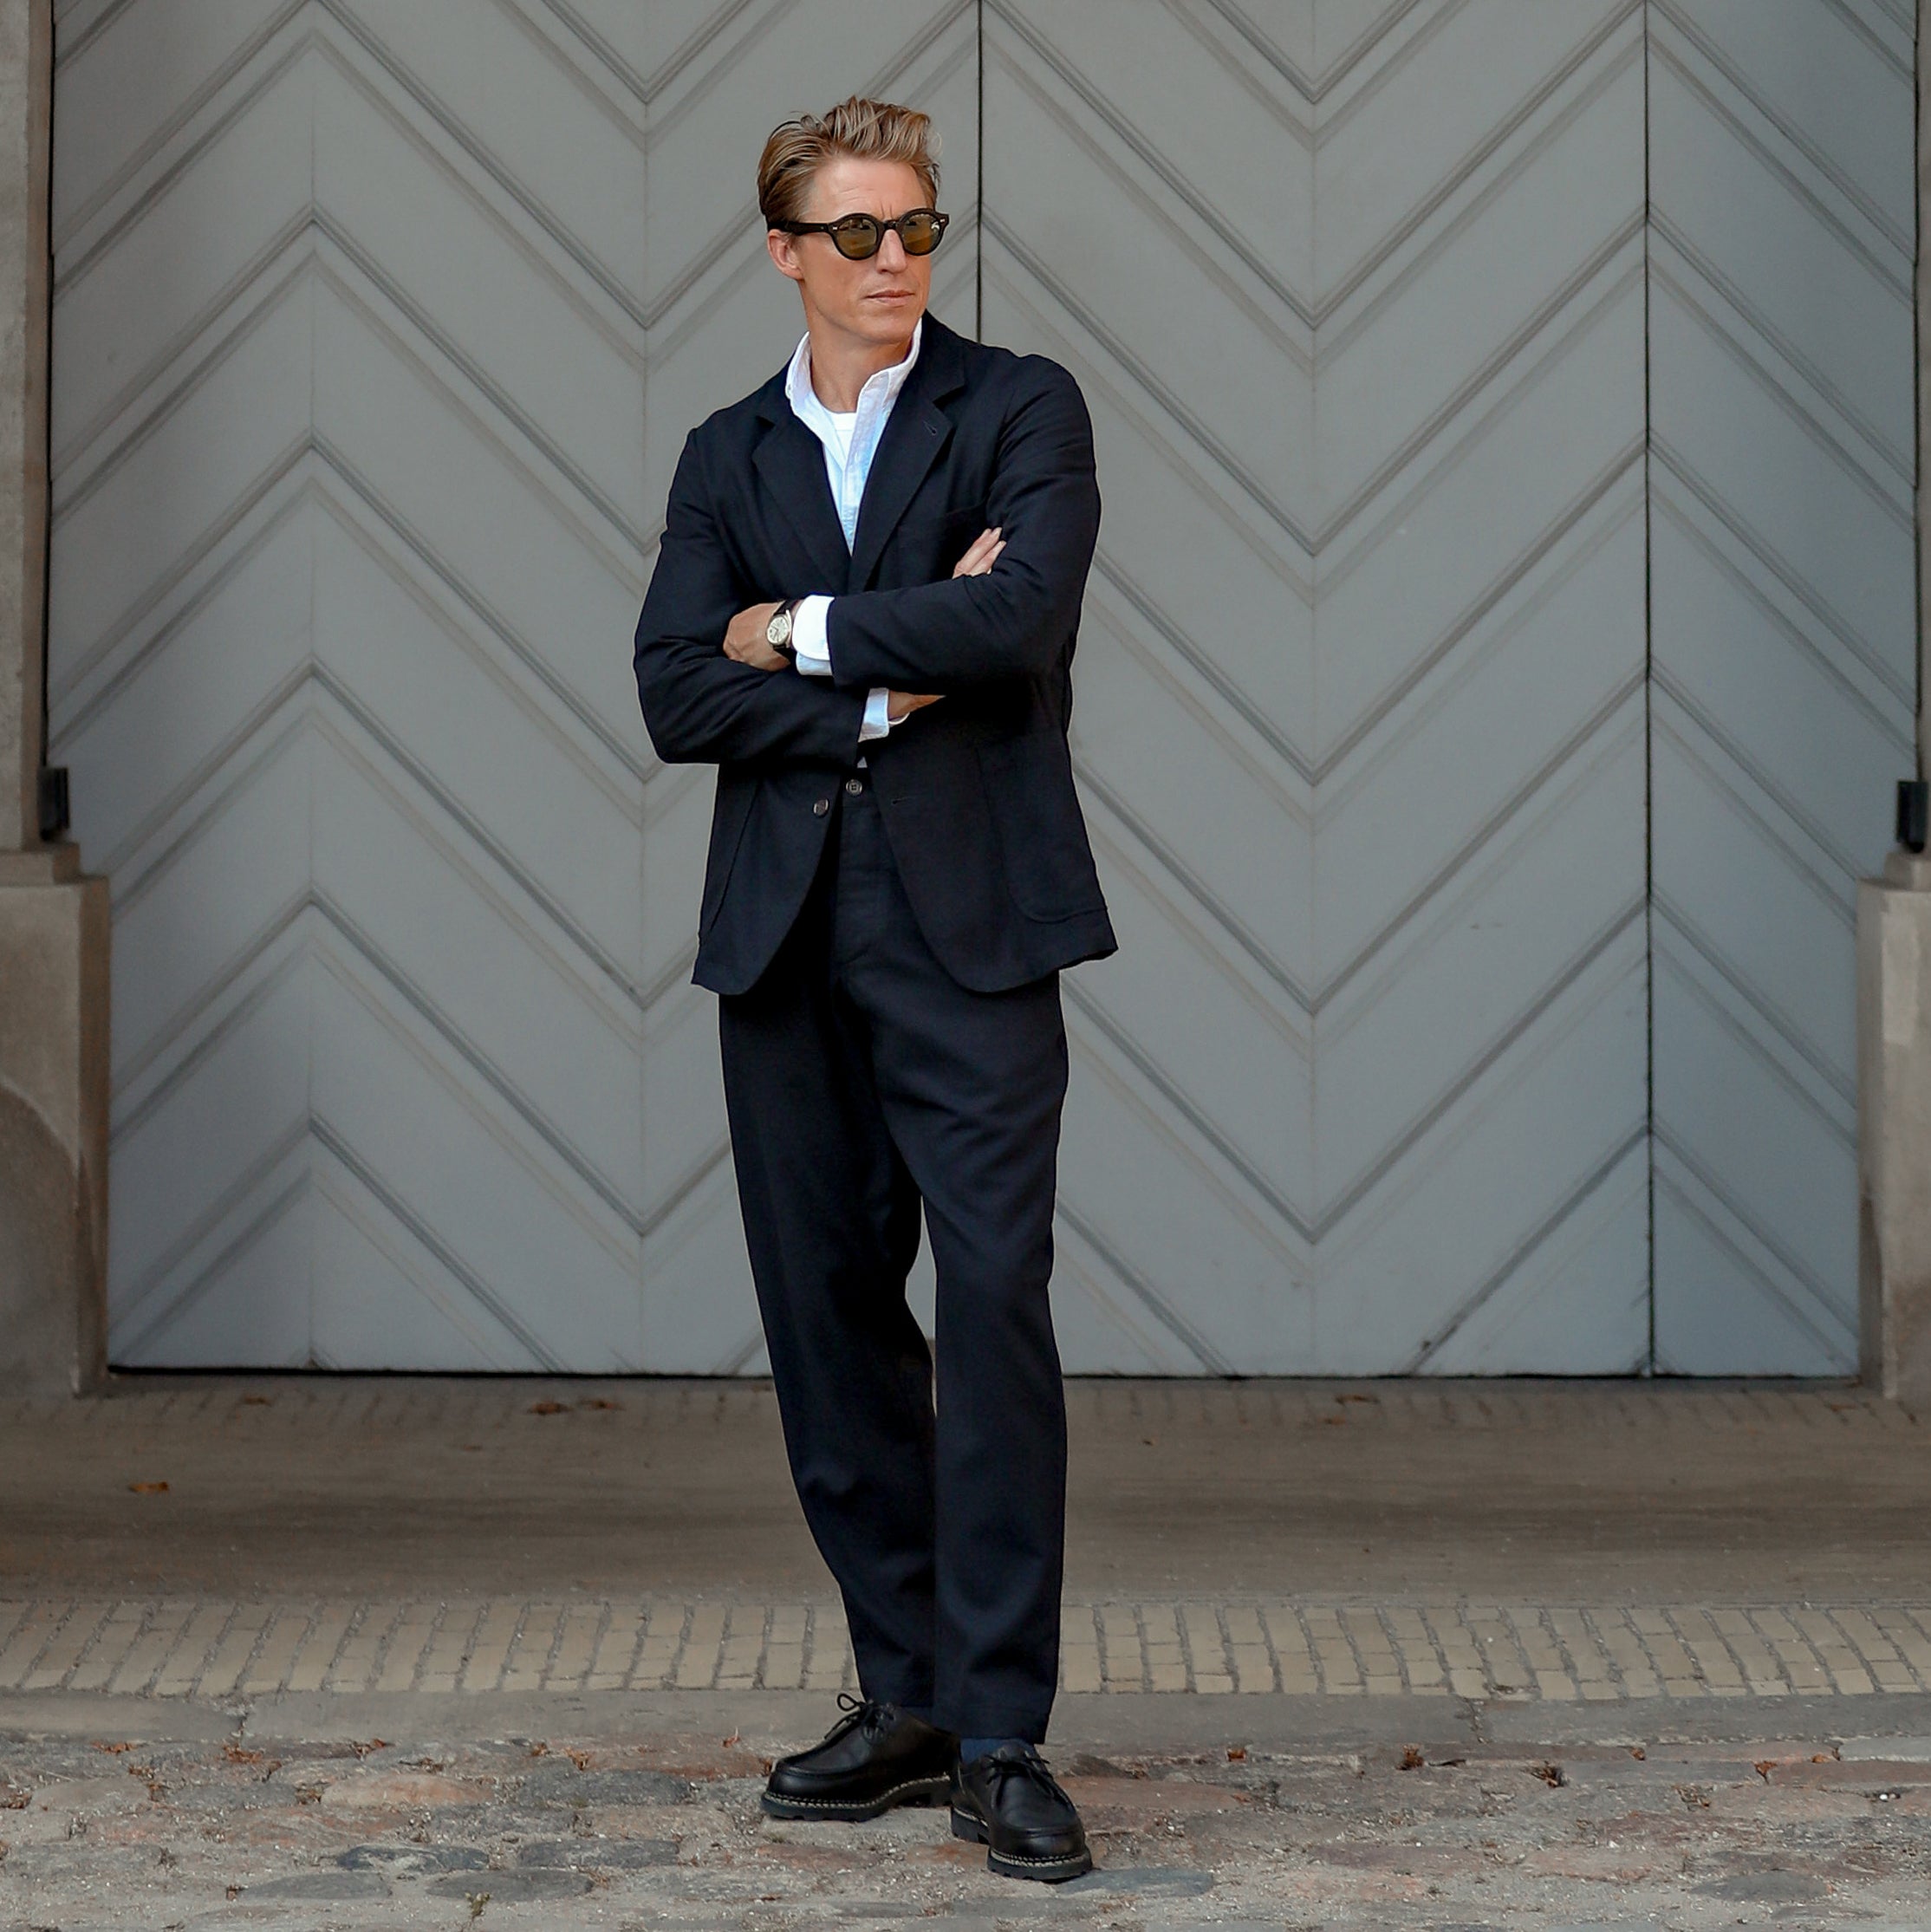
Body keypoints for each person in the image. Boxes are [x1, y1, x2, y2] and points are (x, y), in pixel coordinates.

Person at [633, 94, 1114, 1883]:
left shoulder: (1020, 408)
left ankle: (1000, 1730)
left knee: (991, 1304)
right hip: (784, 933)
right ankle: (902, 1693)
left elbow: (1021, 626)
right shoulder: (723, 452)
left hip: (971, 926)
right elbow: (677, 687)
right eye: (859, 234)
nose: (897, 259)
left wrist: (807, 628)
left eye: (916, 228)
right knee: (830, 1321)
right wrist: (889, 669)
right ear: (786, 252)